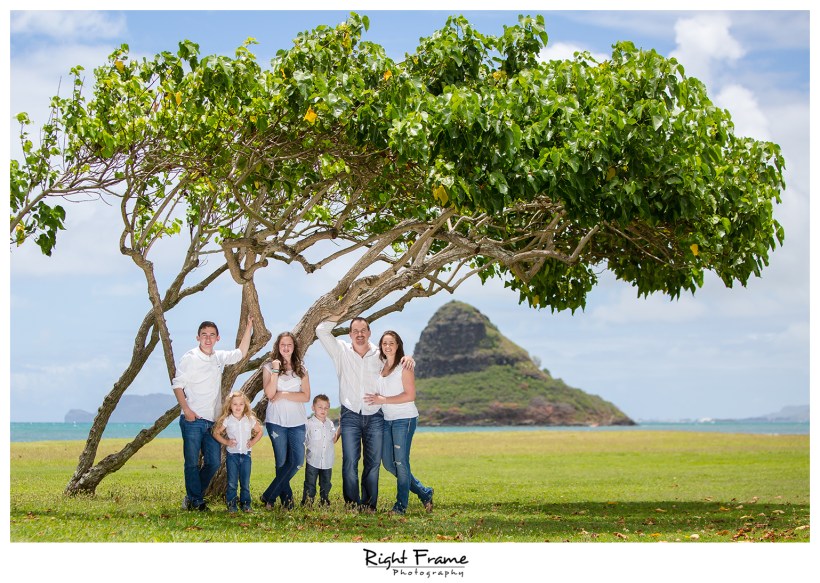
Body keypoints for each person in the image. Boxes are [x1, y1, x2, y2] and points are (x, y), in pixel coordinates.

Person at [316, 315, 413, 512]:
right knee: (350, 462)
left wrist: (409, 358)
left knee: (373, 463)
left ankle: (369, 505)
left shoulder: (380, 354)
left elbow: (398, 362)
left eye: (363, 331)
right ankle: (352, 504)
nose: (359, 334)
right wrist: (341, 311)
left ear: (369, 332)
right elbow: (321, 330)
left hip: (376, 415)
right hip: (350, 414)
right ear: (349, 334)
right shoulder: (340, 351)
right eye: (355, 331)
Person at [172, 317, 253, 511]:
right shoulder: (190, 357)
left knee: (214, 462)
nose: (208, 339)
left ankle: (192, 497)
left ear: (217, 338)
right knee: (192, 463)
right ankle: (197, 502)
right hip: (193, 420)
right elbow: (177, 385)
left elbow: (240, 353)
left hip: (212, 422)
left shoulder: (218, 357)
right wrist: (187, 410)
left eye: (212, 335)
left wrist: (249, 326)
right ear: (198, 337)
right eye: (204, 335)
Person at [364, 330, 434, 515]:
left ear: (398, 345)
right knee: (389, 463)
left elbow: (410, 395)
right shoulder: (381, 367)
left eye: (391, 343)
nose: (388, 346)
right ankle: (424, 492)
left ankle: (400, 507)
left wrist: (383, 400)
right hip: (387, 420)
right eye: (384, 343)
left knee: (401, 463)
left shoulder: (404, 366)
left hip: (404, 419)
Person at [259, 331, 310, 510]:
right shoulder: (268, 367)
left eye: (289, 345)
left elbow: (306, 396)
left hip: (297, 422)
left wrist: (283, 394)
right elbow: (270, 393)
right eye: (283, 345)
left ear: (294, 347)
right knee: (281, 463)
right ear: (278, 347)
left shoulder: (301, 368)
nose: (286, 348)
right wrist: (275, 370)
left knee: (297, 462)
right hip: (276, 421)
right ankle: (287, 501)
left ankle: (268, 495)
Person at [212, 391, 264, 513]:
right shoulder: (227, 420)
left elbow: (260, 431)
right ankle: (232, 506)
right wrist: (226, 442)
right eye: (235, 404)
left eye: (241, 404)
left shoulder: (250, 419)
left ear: (245, 405)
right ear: (230, 406)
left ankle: (246, 505)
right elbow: (216, 433)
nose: (238, 407)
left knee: (245, 482)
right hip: (232, 456)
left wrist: (252, 442)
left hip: (246, 456)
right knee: (232, 482)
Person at [301, 394, 339, 506]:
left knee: (326, 484)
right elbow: (303, 440)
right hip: (313, 460)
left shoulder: (330, 424)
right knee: (310, 484)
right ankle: (307, 503)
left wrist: (341, 426)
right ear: (313, 408)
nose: (323, 410)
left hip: (327, 461)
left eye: (326, 408)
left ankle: (324, 502)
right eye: (320, 407)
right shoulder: (308, 424)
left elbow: (334, 439)